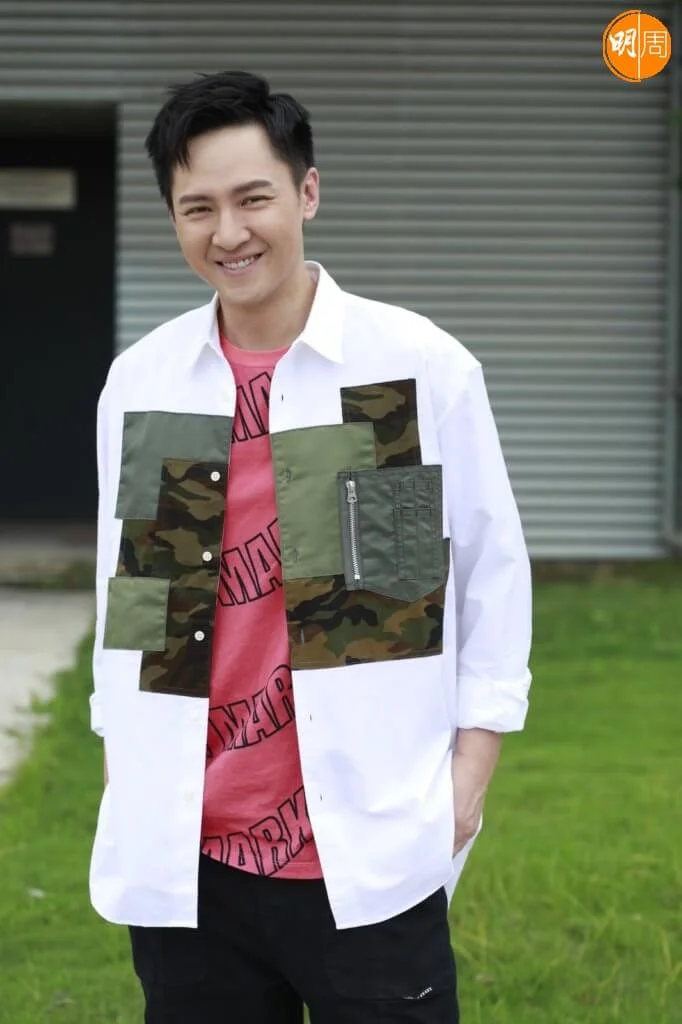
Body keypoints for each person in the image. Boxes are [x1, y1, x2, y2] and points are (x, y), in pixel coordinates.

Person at [89, 69, 532, 1024]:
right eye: (198, 208)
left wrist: (469, 776)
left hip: (369, 851)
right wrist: (124, 760)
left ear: (308, 192)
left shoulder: (414, 366)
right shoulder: (143, 381)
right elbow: (134, 599)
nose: (229, 232)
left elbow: (491, 571)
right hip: (190, 860)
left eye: (254, 198)